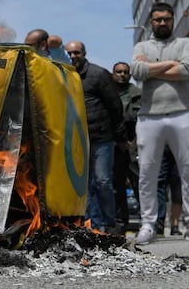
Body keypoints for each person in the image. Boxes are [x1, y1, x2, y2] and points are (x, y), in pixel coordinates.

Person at [130, 2, 189, 244]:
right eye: (158, 19)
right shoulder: (141, 46)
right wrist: (170, 65)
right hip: (148, 116)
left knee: (188, 170)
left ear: (172, 20)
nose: (162, 23)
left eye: (166, 19)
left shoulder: (184, 43)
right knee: (147, 173)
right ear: (151, 22)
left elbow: (188, 70)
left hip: (182, 113)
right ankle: (148, 224)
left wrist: (151, 68)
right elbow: (137, 71)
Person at [65, 41, 128, 234]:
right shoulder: (65, 75)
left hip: (102, 137)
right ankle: (93, 224)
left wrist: (120, 136)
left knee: (103, 181)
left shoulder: (98, 74)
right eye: (70, 53)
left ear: (84, 53)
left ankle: (109, 223)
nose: (73, 56)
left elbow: (115, 106)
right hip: (80, 140)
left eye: (77, 52)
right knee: (86, 186)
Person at [111, 61, 141, 234]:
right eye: (118, 71)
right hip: (115, 146)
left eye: (125, 72)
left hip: (135, 145)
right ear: (113, 74)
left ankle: (147, 221)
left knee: (139, 184)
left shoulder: (137, 94)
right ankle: (121, 221)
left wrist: (132, 143)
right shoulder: (108, 93)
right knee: (117, 185)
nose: (122, 74)